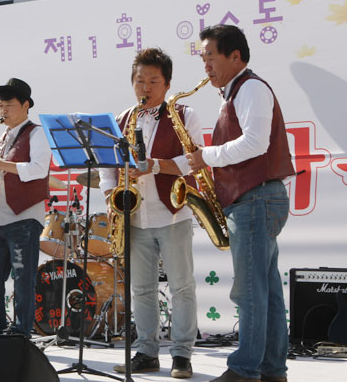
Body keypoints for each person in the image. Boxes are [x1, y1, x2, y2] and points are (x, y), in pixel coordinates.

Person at [188, 25, 294, 382]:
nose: (205, 65)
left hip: (255, 199)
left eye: (211, 56)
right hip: (256, 199)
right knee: (267, 292)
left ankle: (244, 370)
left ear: (235, 56)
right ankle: (272, 370)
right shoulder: (237, 91)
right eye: (202, 58)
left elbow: (255, 143)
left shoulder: (250, 88)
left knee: (249, 292)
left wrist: (205, 156)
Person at [98, 48, 200, 379]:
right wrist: (110, 195)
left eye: (153, 81)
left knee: (181, 287)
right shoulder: (121, 120)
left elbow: (193, 161)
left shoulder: (184, 114)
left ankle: (182, 355)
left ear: (167, 84)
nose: (145, 87)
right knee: (141, 289)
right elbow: (107, 167)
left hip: (173, 214)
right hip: (134, 217)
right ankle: (146, 352)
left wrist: (154, 166)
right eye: (140, 80)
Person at [0, 78, 52, 337]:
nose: (3, 110)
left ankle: (21, 332)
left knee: (23, 280)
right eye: (0, 105)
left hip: (24, 218)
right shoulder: (4, 136)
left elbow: (38, 169)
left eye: (8, 105)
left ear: (25, 105)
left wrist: (0, 165)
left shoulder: (37, 133)